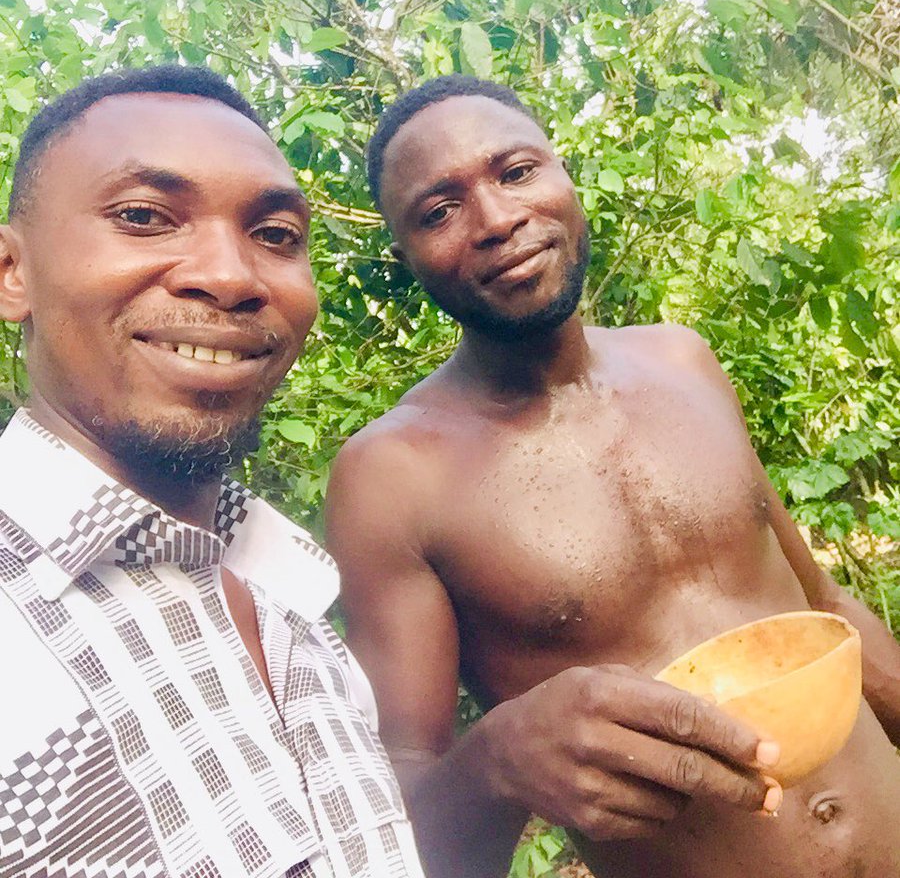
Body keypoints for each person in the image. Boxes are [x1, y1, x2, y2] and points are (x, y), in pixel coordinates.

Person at [325, 74, 900, 878]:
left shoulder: (683, 360)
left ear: (564, 174)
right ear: (405, 254)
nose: (497, 219)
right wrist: (500, 757)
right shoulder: (392, 478)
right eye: (439, 210)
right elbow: (396, 823)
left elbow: (825, 607)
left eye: (517, 171)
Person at [0, 66, 426, 878]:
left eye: (275, 235)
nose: (231, 277)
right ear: (12, 273)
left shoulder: (296, 607)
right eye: (144, 217)